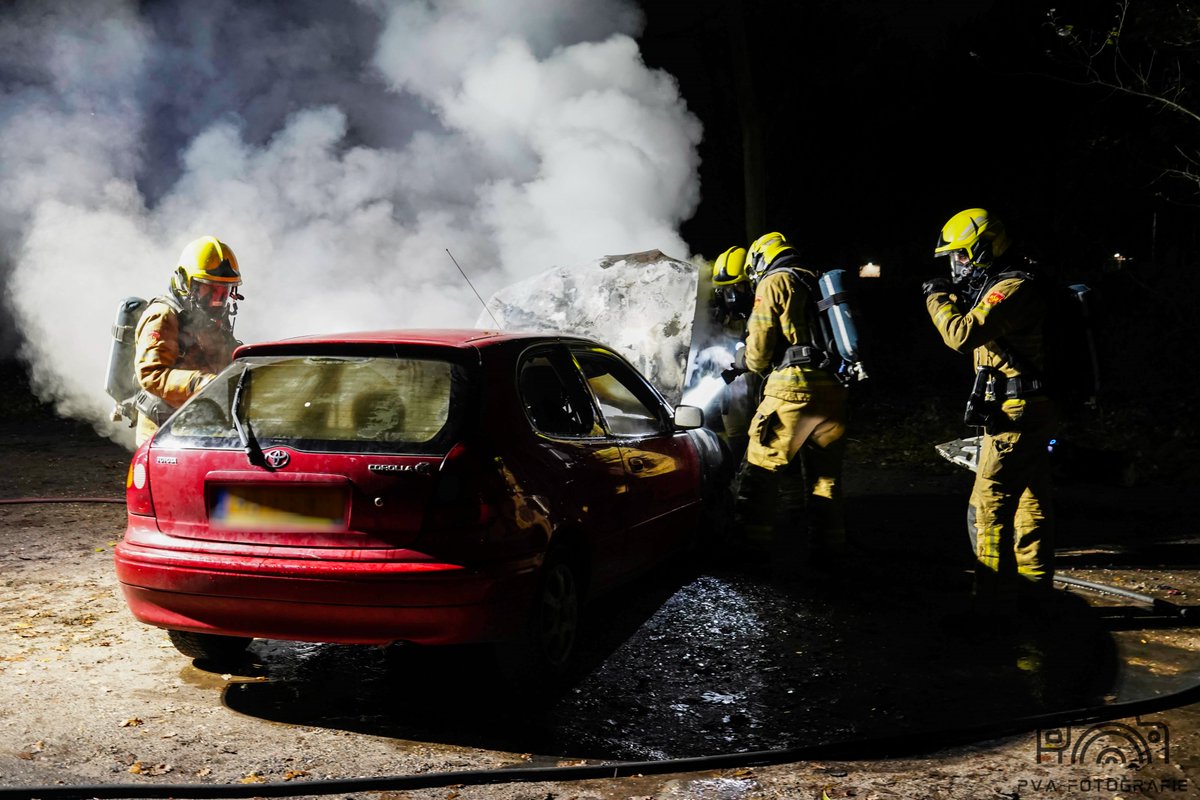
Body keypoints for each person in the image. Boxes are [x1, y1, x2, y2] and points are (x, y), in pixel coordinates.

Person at [921, 208, 1057, 617]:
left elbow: (962, 334)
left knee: (989, 506)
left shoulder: (1012, 286)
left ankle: (992, 606)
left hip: (1015, 412)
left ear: (986, 247)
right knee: (1031, 501)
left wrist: (936, 297)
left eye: (962, 254)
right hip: (1028, 406)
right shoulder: (1006, 282)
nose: (957, 264)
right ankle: (1034, 592)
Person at [734, 231, 849, 566]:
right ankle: (829, 556)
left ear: (761, 259)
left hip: (791, 391)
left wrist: (743, 358)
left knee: (760, 473)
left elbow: (758, 354)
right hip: (832, 391)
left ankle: (750, 555)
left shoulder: (774, 282)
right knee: (824, 481)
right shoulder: (815, 280)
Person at [133, 235, 244, 445]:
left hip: (198, 423)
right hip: (161, 431)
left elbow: (225, 358)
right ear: (186, 282)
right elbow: (151, 375)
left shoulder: (208, 318)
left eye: (225, 290)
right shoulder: (163, 315)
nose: (218, 299)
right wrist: (202, 383)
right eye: (210, 288)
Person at [710, 246, 761, 464]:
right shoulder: (720, 315)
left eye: (737, 286)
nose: (731, 294)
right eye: (726, 289)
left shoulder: (763, 308)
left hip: (760, 382)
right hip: (733, 387)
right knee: (737, 438)